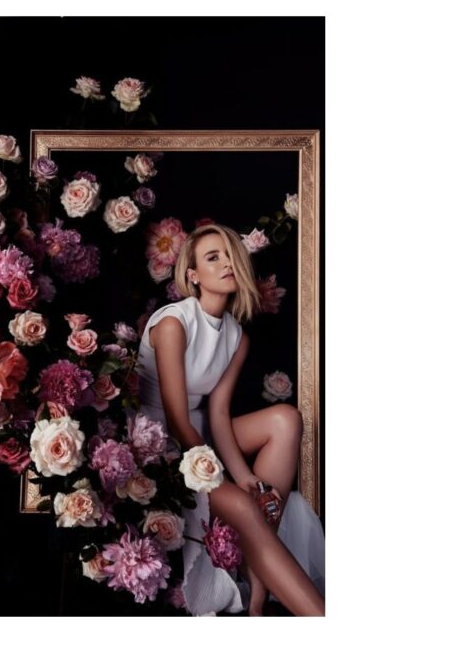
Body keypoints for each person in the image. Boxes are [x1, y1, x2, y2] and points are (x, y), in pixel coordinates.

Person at [136, 223, 325, 616]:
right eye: (212, 257)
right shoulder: (173, 324)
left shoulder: (237, 336)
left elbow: (219, 415)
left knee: (285, 420)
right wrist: (220, 478)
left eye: (228, 255)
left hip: (202, 433)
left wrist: (248, 480)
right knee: (243, 506)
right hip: (162, 446)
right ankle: (322, 620)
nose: (225, 264)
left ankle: (257, 592)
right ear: (193, 276)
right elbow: (175, 420)